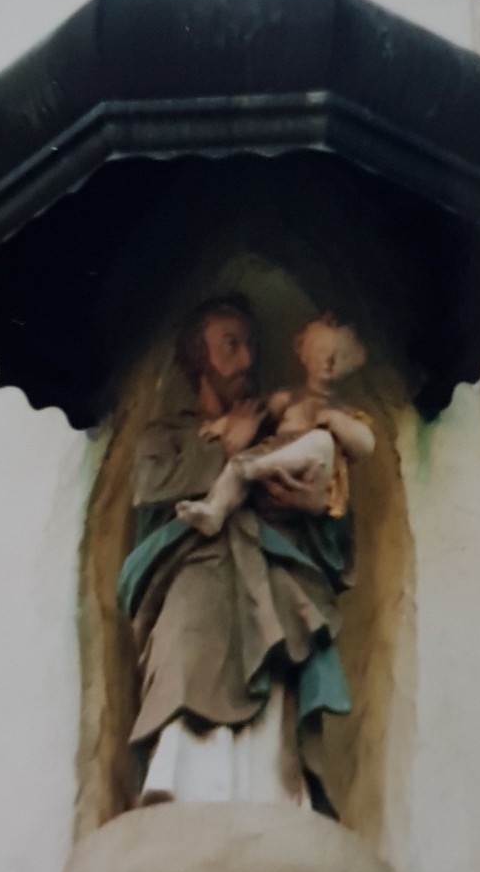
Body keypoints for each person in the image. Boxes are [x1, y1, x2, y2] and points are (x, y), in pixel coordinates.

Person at [116, 296, 362, 811]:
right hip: (194, 570)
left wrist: (318, 505)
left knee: (278, 650)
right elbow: (150, 487)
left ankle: (271, 796)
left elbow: (332, 519)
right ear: (198, 357)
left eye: (250, 345)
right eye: (230, 345)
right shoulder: (167, 434)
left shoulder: (281, 434)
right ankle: (181, 788)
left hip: (270, 571)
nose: (247, 359)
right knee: (187, 639)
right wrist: (225, 447)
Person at [175, 314, 375, 539]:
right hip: (271, 470)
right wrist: (222, 425)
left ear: (354, 361)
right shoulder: (288, 398)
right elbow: (256, 413)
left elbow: (365, 444)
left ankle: (254, 468)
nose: (329, 360)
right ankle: (215, 510)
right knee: (237, 469)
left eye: (341, 355)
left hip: (311, 474)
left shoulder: (344, 413)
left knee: (322, 440)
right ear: (303, 353)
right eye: (321, 351)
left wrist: (335, 420)